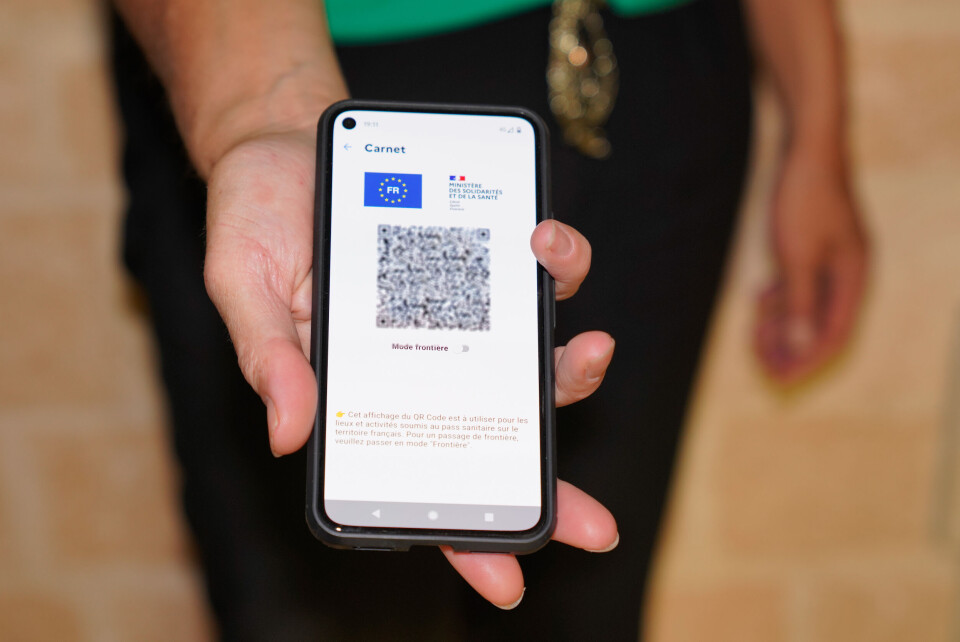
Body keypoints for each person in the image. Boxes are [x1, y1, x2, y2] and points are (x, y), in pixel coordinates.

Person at [110, 0, 867, 639]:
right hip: (307, 59)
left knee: (585, 607)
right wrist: (264, 110)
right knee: (313, 615)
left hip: (657, 74)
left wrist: (819, 125)